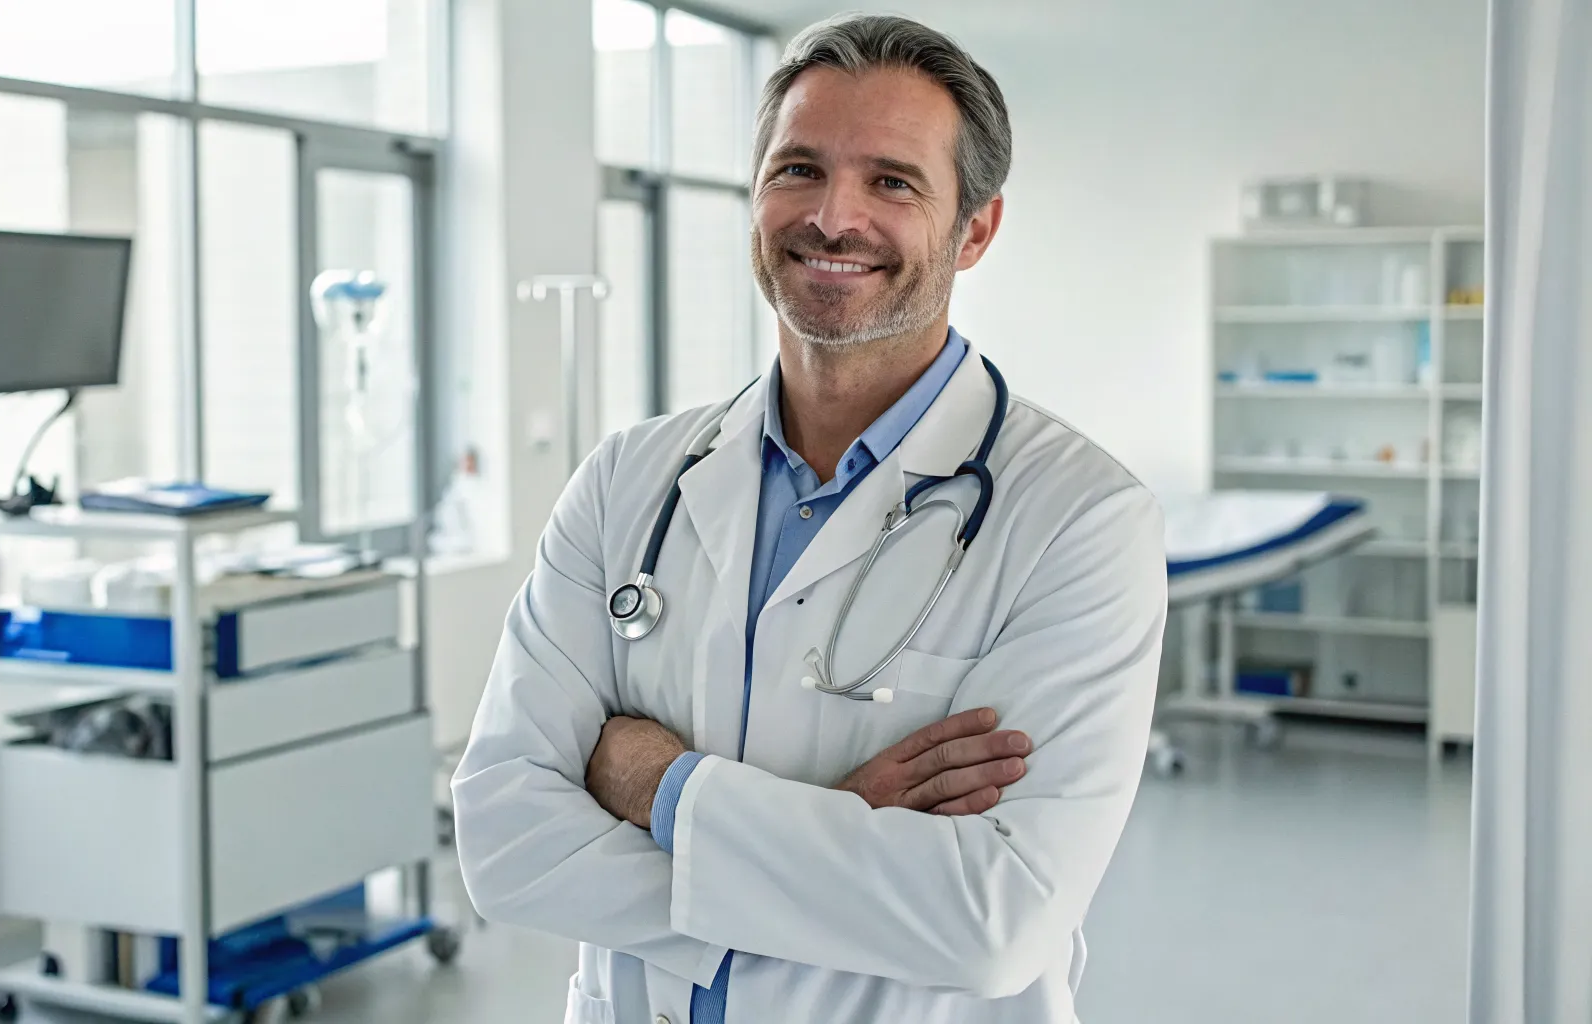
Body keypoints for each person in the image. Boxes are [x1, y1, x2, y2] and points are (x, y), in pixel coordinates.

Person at [452, 13, 1166, 1024]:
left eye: (891, 181)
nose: (832, 219)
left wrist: (656, 784)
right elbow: (502, 843)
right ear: (753, 195)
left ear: (975, 229)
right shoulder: (627, 480)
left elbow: (991, 919)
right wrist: (834, 834)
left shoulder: (1079, 522)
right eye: (797, 169)